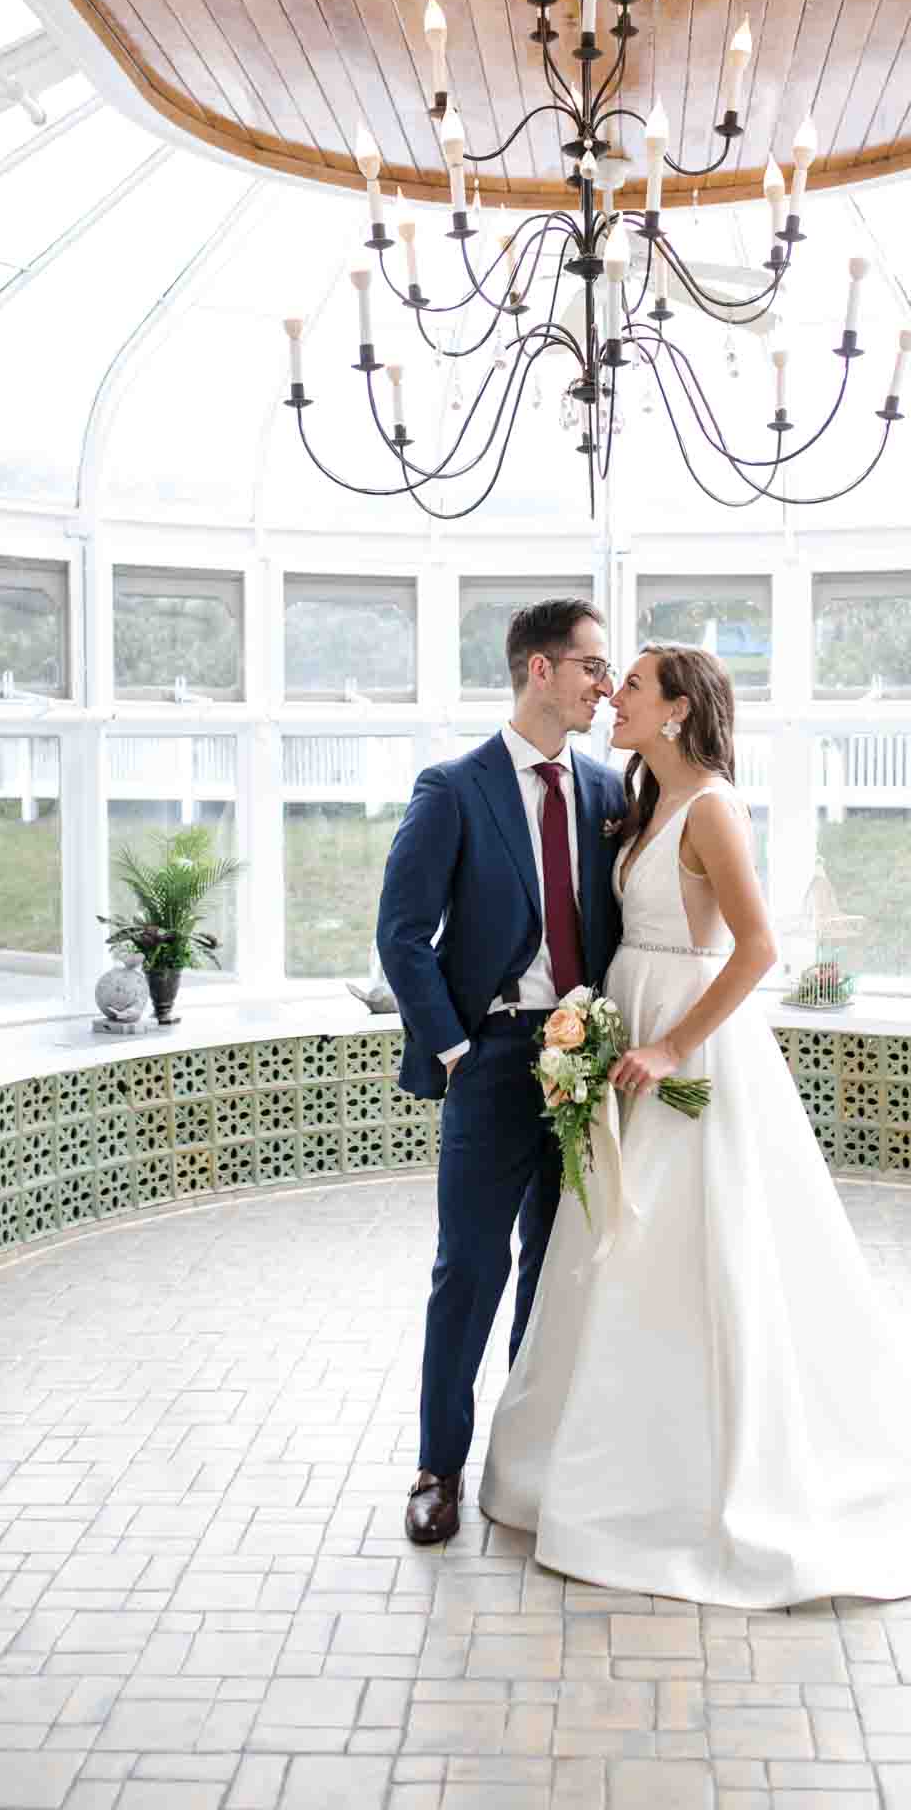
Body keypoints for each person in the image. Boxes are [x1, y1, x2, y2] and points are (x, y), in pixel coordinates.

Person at [480, 643, 911, 1606]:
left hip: (692, 1049)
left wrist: (670, 1047)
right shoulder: (639, 805)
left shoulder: (712, 807)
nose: (612, 697)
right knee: (615, 1242)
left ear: (677, 710)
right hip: (628, 1029)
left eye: (630, 685)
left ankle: (692, 1482)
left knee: (688, 1245)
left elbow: (756, 948)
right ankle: (592, 1456)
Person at [377, 599, 626, 1545]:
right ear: (539, 670)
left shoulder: (606, 792)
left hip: (586, 1060)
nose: (604, 685)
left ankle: (525, 1456)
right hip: (489, 1061)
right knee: (468, 1270)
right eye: (591, 667)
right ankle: (437, 1466)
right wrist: (452, 1047)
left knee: (554, 1272)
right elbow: (401, 934)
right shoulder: (453, 787)